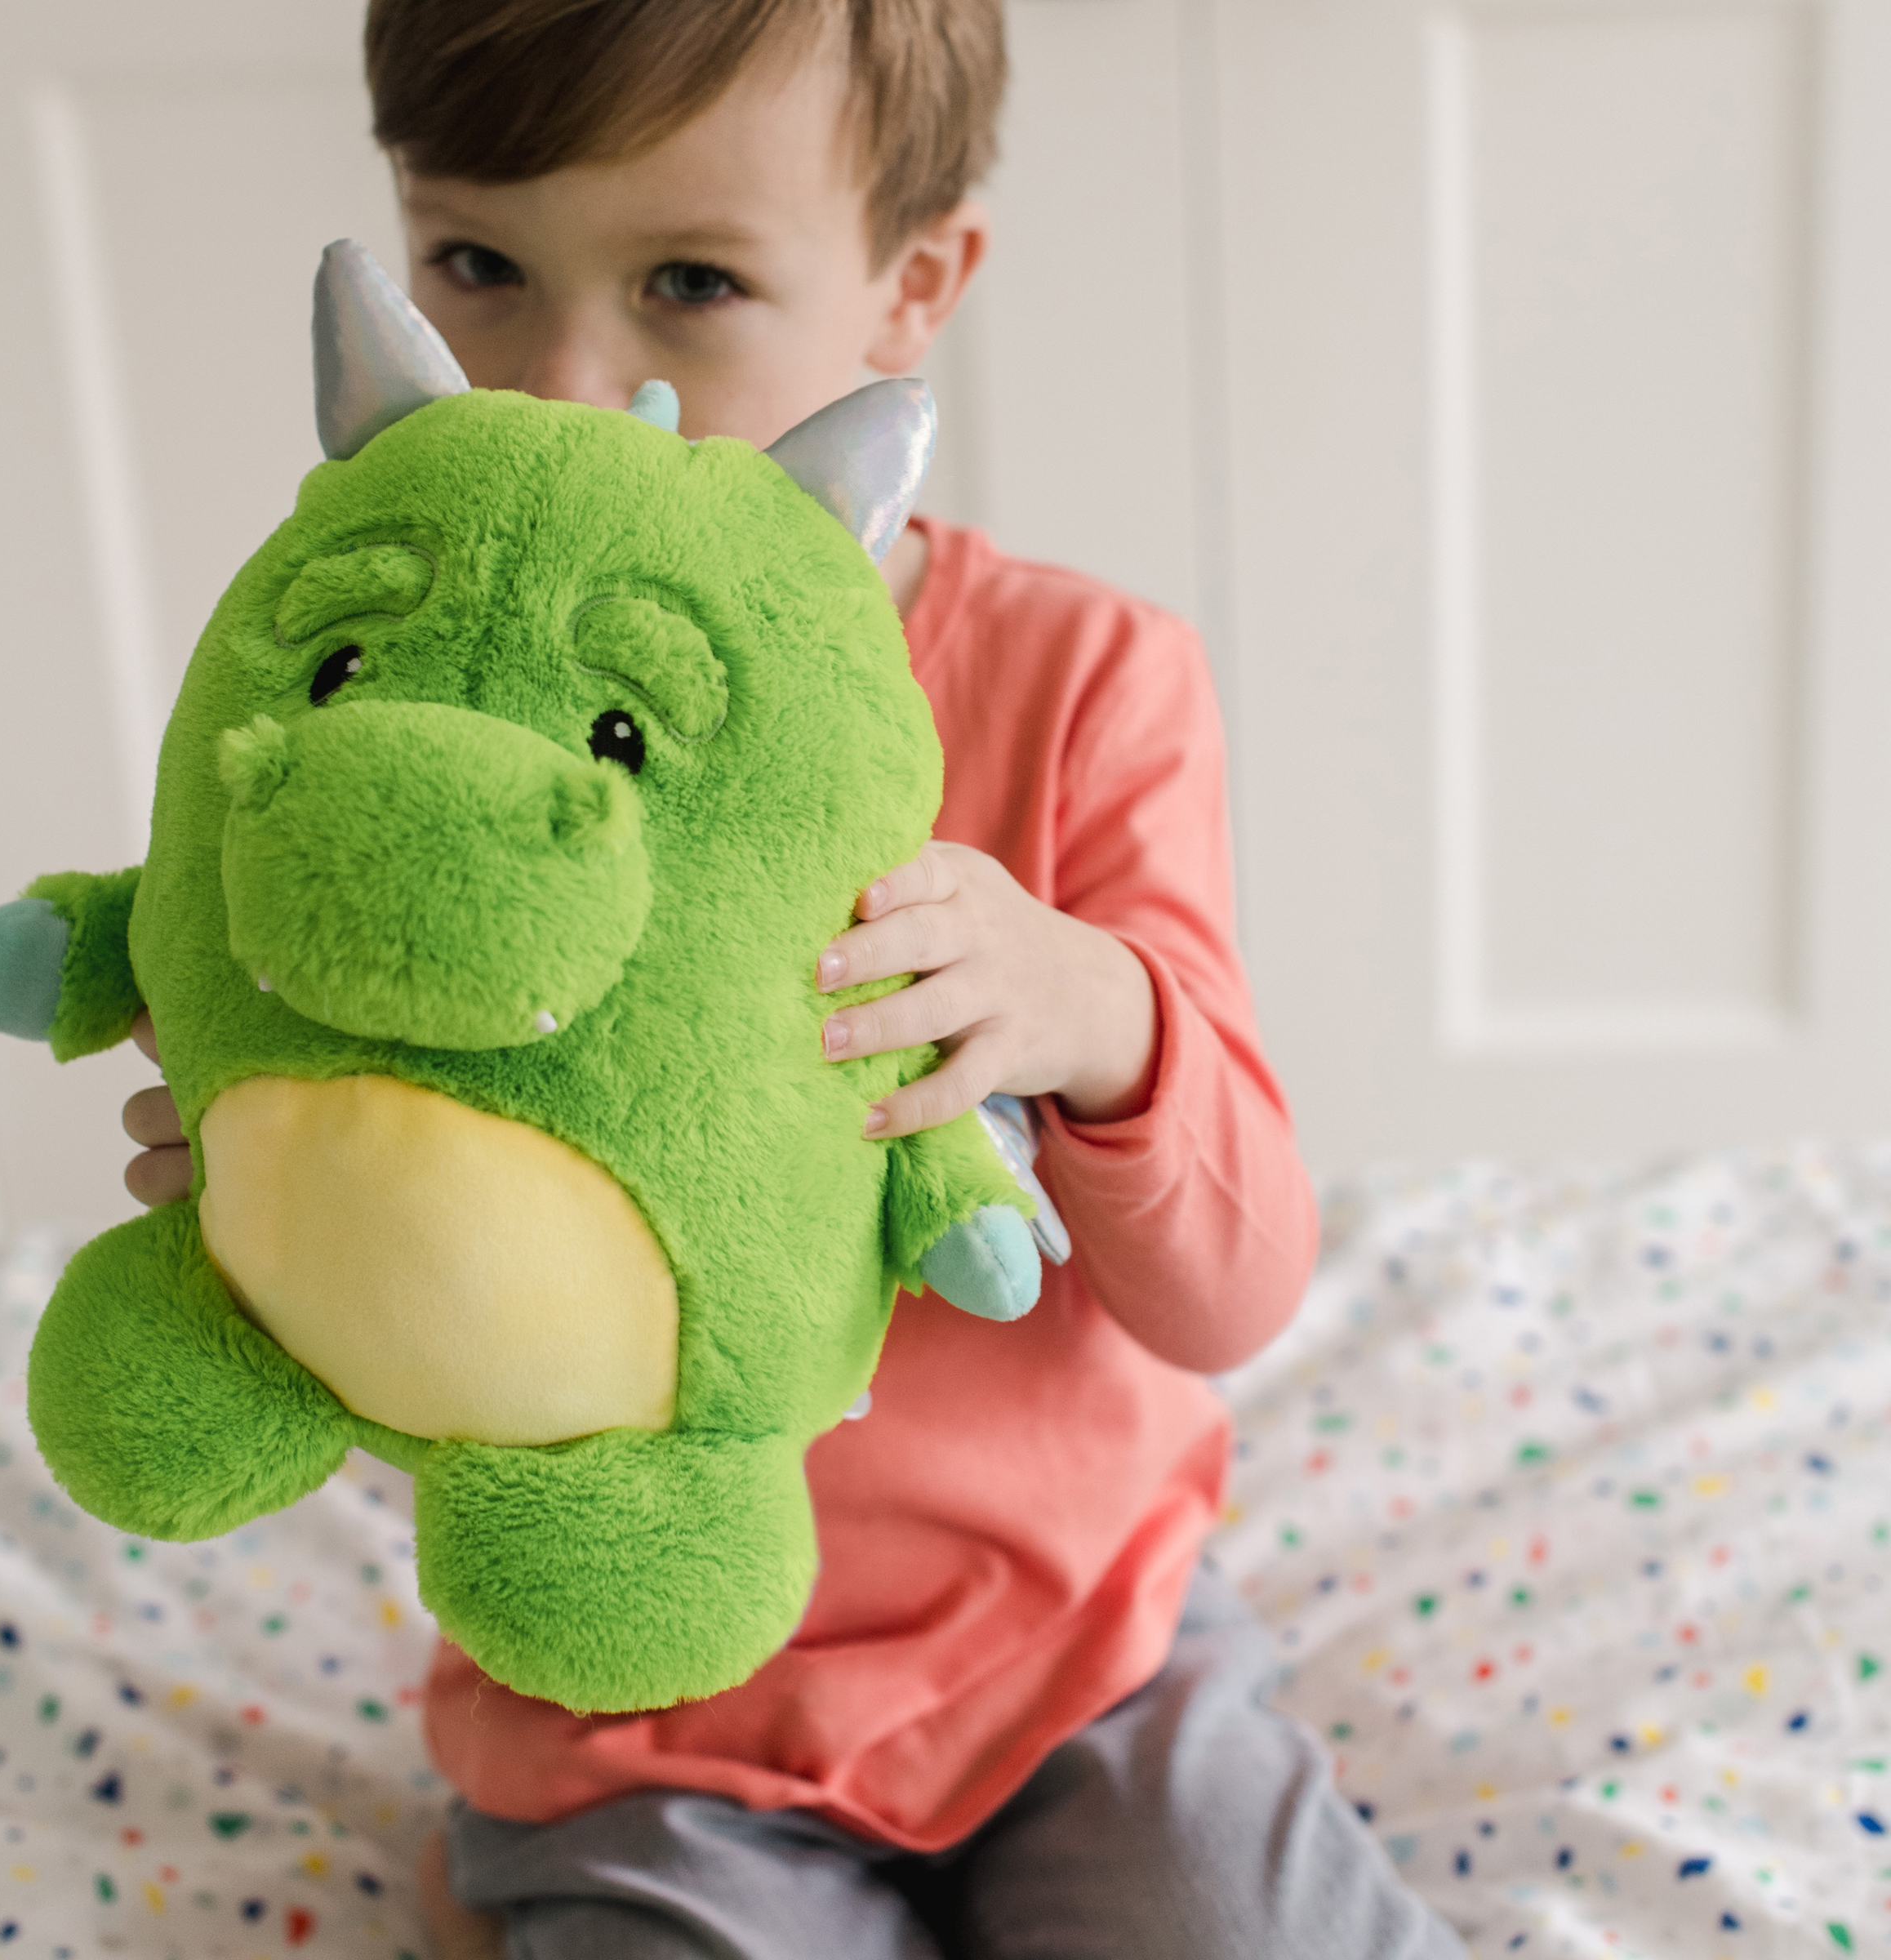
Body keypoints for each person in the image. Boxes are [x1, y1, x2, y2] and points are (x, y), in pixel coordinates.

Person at [122, 2, 1463, 1953]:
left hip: (1074, 1640)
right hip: (629, 1691)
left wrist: (1095, 1015)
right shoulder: (382, 693)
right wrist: (279, 1199)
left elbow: (1236, 1291)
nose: (570, 384)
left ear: (914, 287)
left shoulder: (1090, 682)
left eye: (691, 282)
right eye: (477, 264)